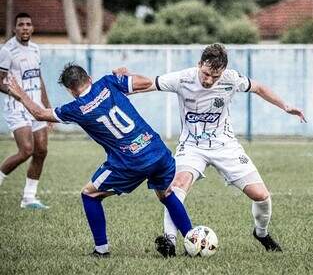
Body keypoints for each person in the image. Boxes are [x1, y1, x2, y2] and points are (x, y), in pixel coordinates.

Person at [113, 43, 307, 256]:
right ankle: (169, 241)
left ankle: (261, 234)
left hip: (226, 146)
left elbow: (259, 88)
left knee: (261, 196)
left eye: (215, 77)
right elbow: (149, 84)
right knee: (176, 187)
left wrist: (285, 106)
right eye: (205, 74)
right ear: (199, 65)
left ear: (222, 71)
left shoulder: (231, 79)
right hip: (192, 147)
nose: (208, 80)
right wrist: (125, 78)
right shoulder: (183, 78)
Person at [7, 63, 192, 257]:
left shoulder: (75, 108)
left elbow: (40, 114)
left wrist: (20, 94)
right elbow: (146, 82)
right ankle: (192, 239)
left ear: (71, 90)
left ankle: (101, 250)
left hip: (130, 161)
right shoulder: (108, 82)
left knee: (89, 195)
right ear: (89, 79)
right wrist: (126, 75)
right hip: (156, 150)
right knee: (167, 194)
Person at [0, 13, 51, 209]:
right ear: (15, 29)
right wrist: (18, 95)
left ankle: (29, 198)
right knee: (26, 150)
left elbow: (39, 79)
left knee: (41, 150)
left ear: (33, 28)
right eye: (21, 25)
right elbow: (0, 81)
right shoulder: (7, 51)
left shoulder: (36, 49)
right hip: (17, 107)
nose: (25, 28)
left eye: (28, 24)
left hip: (36, 107)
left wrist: (47, 109)